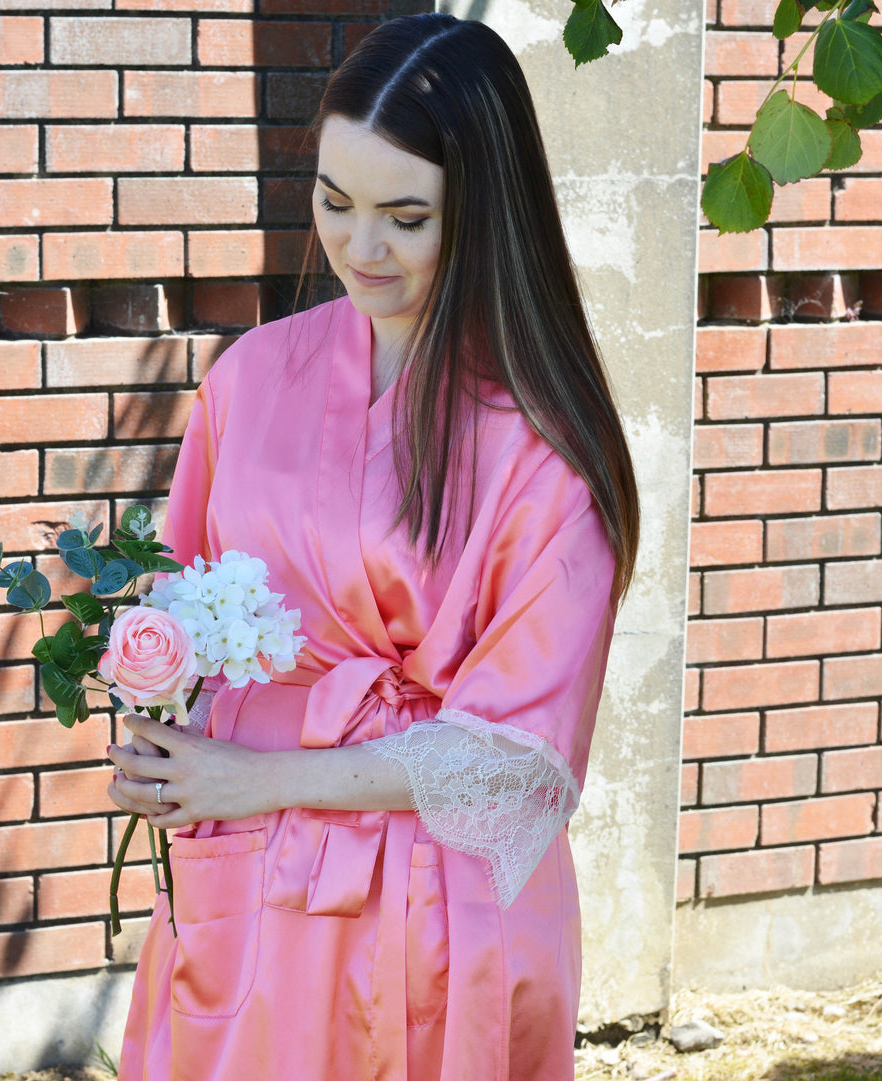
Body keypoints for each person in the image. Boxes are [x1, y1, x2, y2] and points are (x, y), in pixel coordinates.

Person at [106, 12, 639, 1080]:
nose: (359, 247)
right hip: (254, 887)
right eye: (334, 203)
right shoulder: (249, 382)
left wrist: (258, 781)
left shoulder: (545, 447)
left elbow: (511, 761)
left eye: (405, 216)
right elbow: (177, 617)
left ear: (484, 217)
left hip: (448, 908)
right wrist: (165, 744)